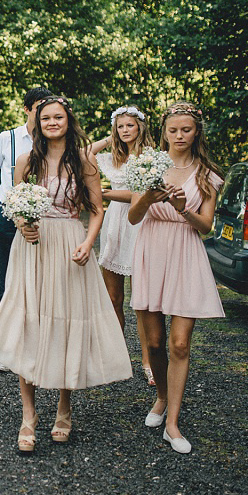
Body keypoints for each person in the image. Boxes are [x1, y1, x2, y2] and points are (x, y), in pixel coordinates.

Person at [0, 96, 132, 453]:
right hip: (32, 248)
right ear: (37, 122)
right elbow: (15, 204)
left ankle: (64, 410)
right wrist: (23, 224)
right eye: (46, 117)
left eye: (59, 117)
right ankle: (28, 415)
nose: (53, 122)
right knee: (30, 324)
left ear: (69, 120)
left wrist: (88, 242)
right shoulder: (26, 161)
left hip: (69, 244)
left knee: (66, 323)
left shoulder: (84, 160)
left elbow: (97, 210)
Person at [128, 102, 224, 454]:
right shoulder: (148, 165)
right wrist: (150, 197)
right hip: (151, 251)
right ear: (164, 132)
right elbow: (134, 218)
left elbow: (206, 226)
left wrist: (185, 208)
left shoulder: (207, 174)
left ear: (196, 131)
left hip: (185, 253)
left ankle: (173, 424)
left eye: (186, 130)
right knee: (153, 343)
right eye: (173, 130)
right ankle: (161, 397)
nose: (179, 136)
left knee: (179, 344)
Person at [0, 86, 52, 372]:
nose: (45, 114)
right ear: (27, 109)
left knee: (44, 280)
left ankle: (41, 348)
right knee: (9, 281)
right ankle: (7, 352)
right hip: (9, 218)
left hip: (49, 220)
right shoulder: (6, 139)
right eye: (39, 108)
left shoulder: (56, 140)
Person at [89, 106, 156, 385]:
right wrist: (109, 137)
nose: (125, 130)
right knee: (113, 298)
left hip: (139, 224)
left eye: (130, 125)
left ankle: (149, 361)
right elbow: (84, 153)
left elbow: (137, 195)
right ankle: (117, 358)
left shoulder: (151, 158)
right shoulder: (112, 157)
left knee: (141, 301)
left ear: (141, 126)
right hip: (114, 226)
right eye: (120, 127)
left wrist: (103, 193)